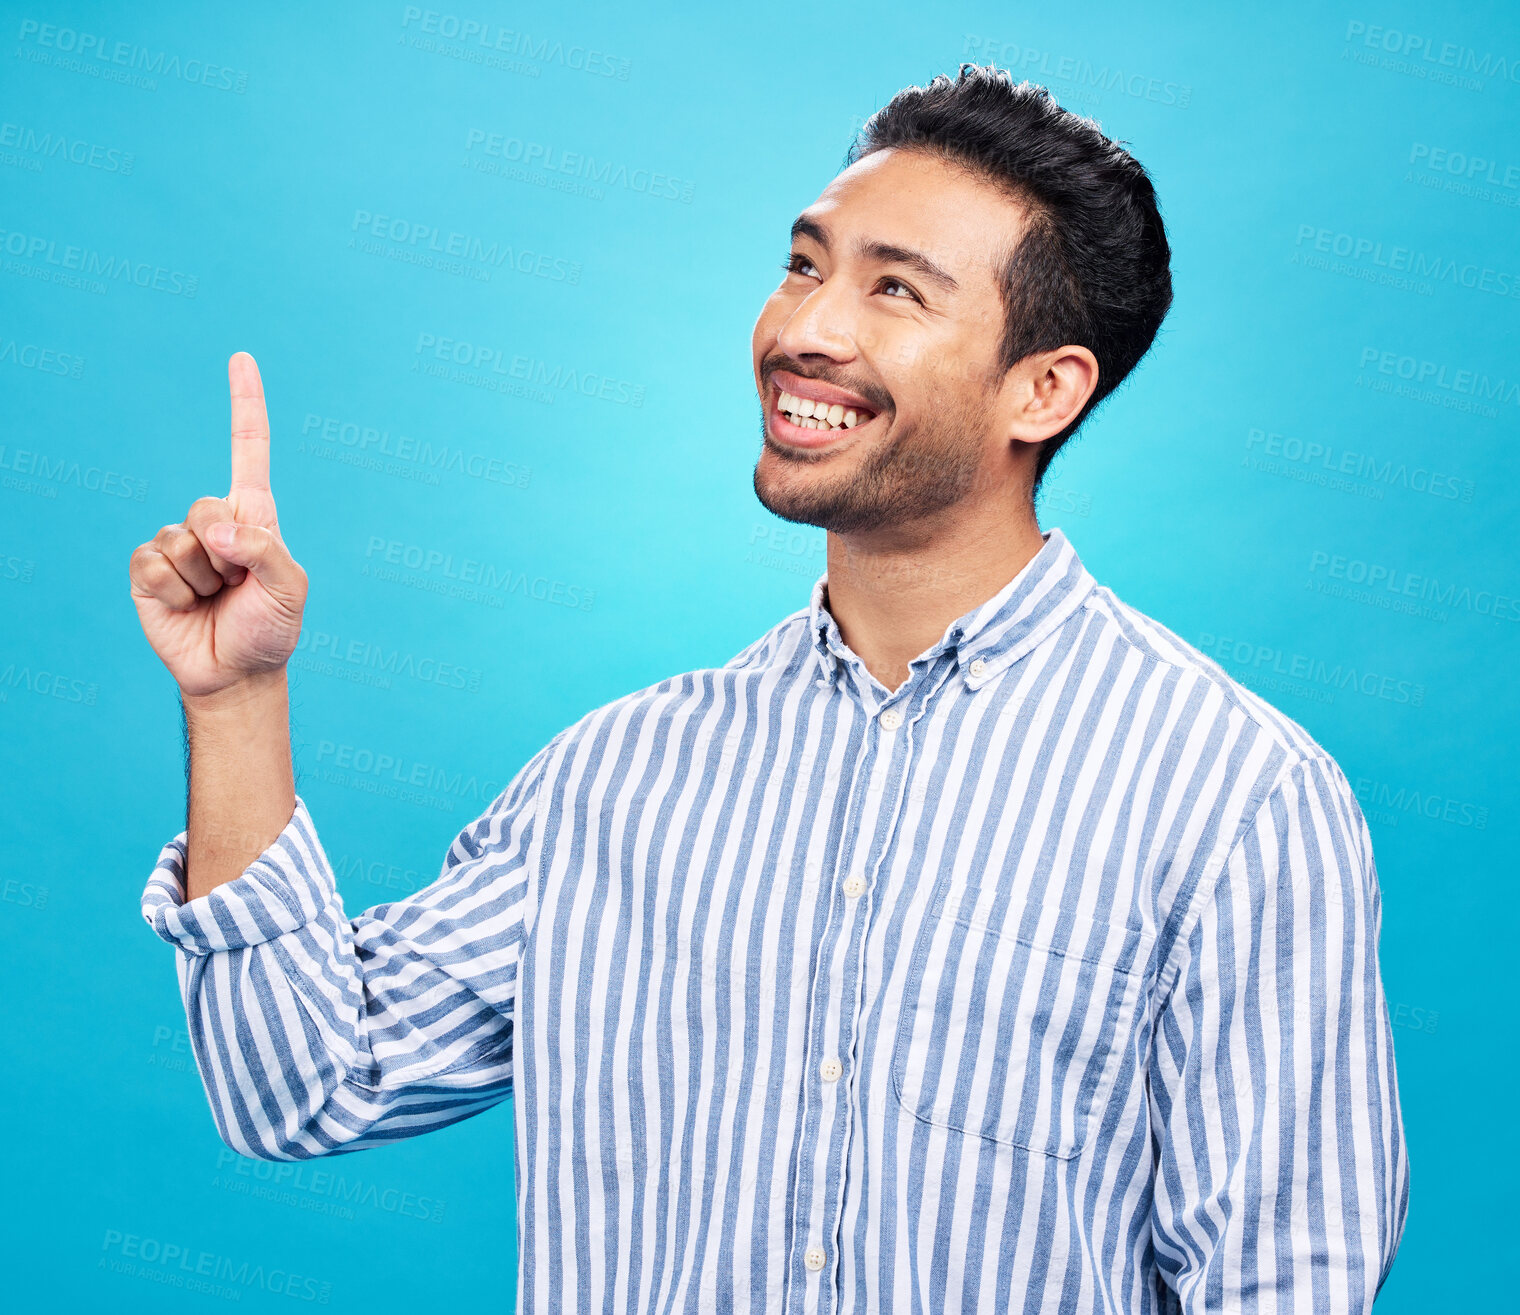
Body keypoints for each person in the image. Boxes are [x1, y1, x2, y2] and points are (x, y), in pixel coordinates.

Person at [130, 66, 1408, 1313]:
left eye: (893, 290)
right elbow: (299, 1085)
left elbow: (1278, 1278)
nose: (805, 328)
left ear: (1043, 388)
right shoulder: (615, 778)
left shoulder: (1232, 797)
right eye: (805, 265)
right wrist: (236, 703)